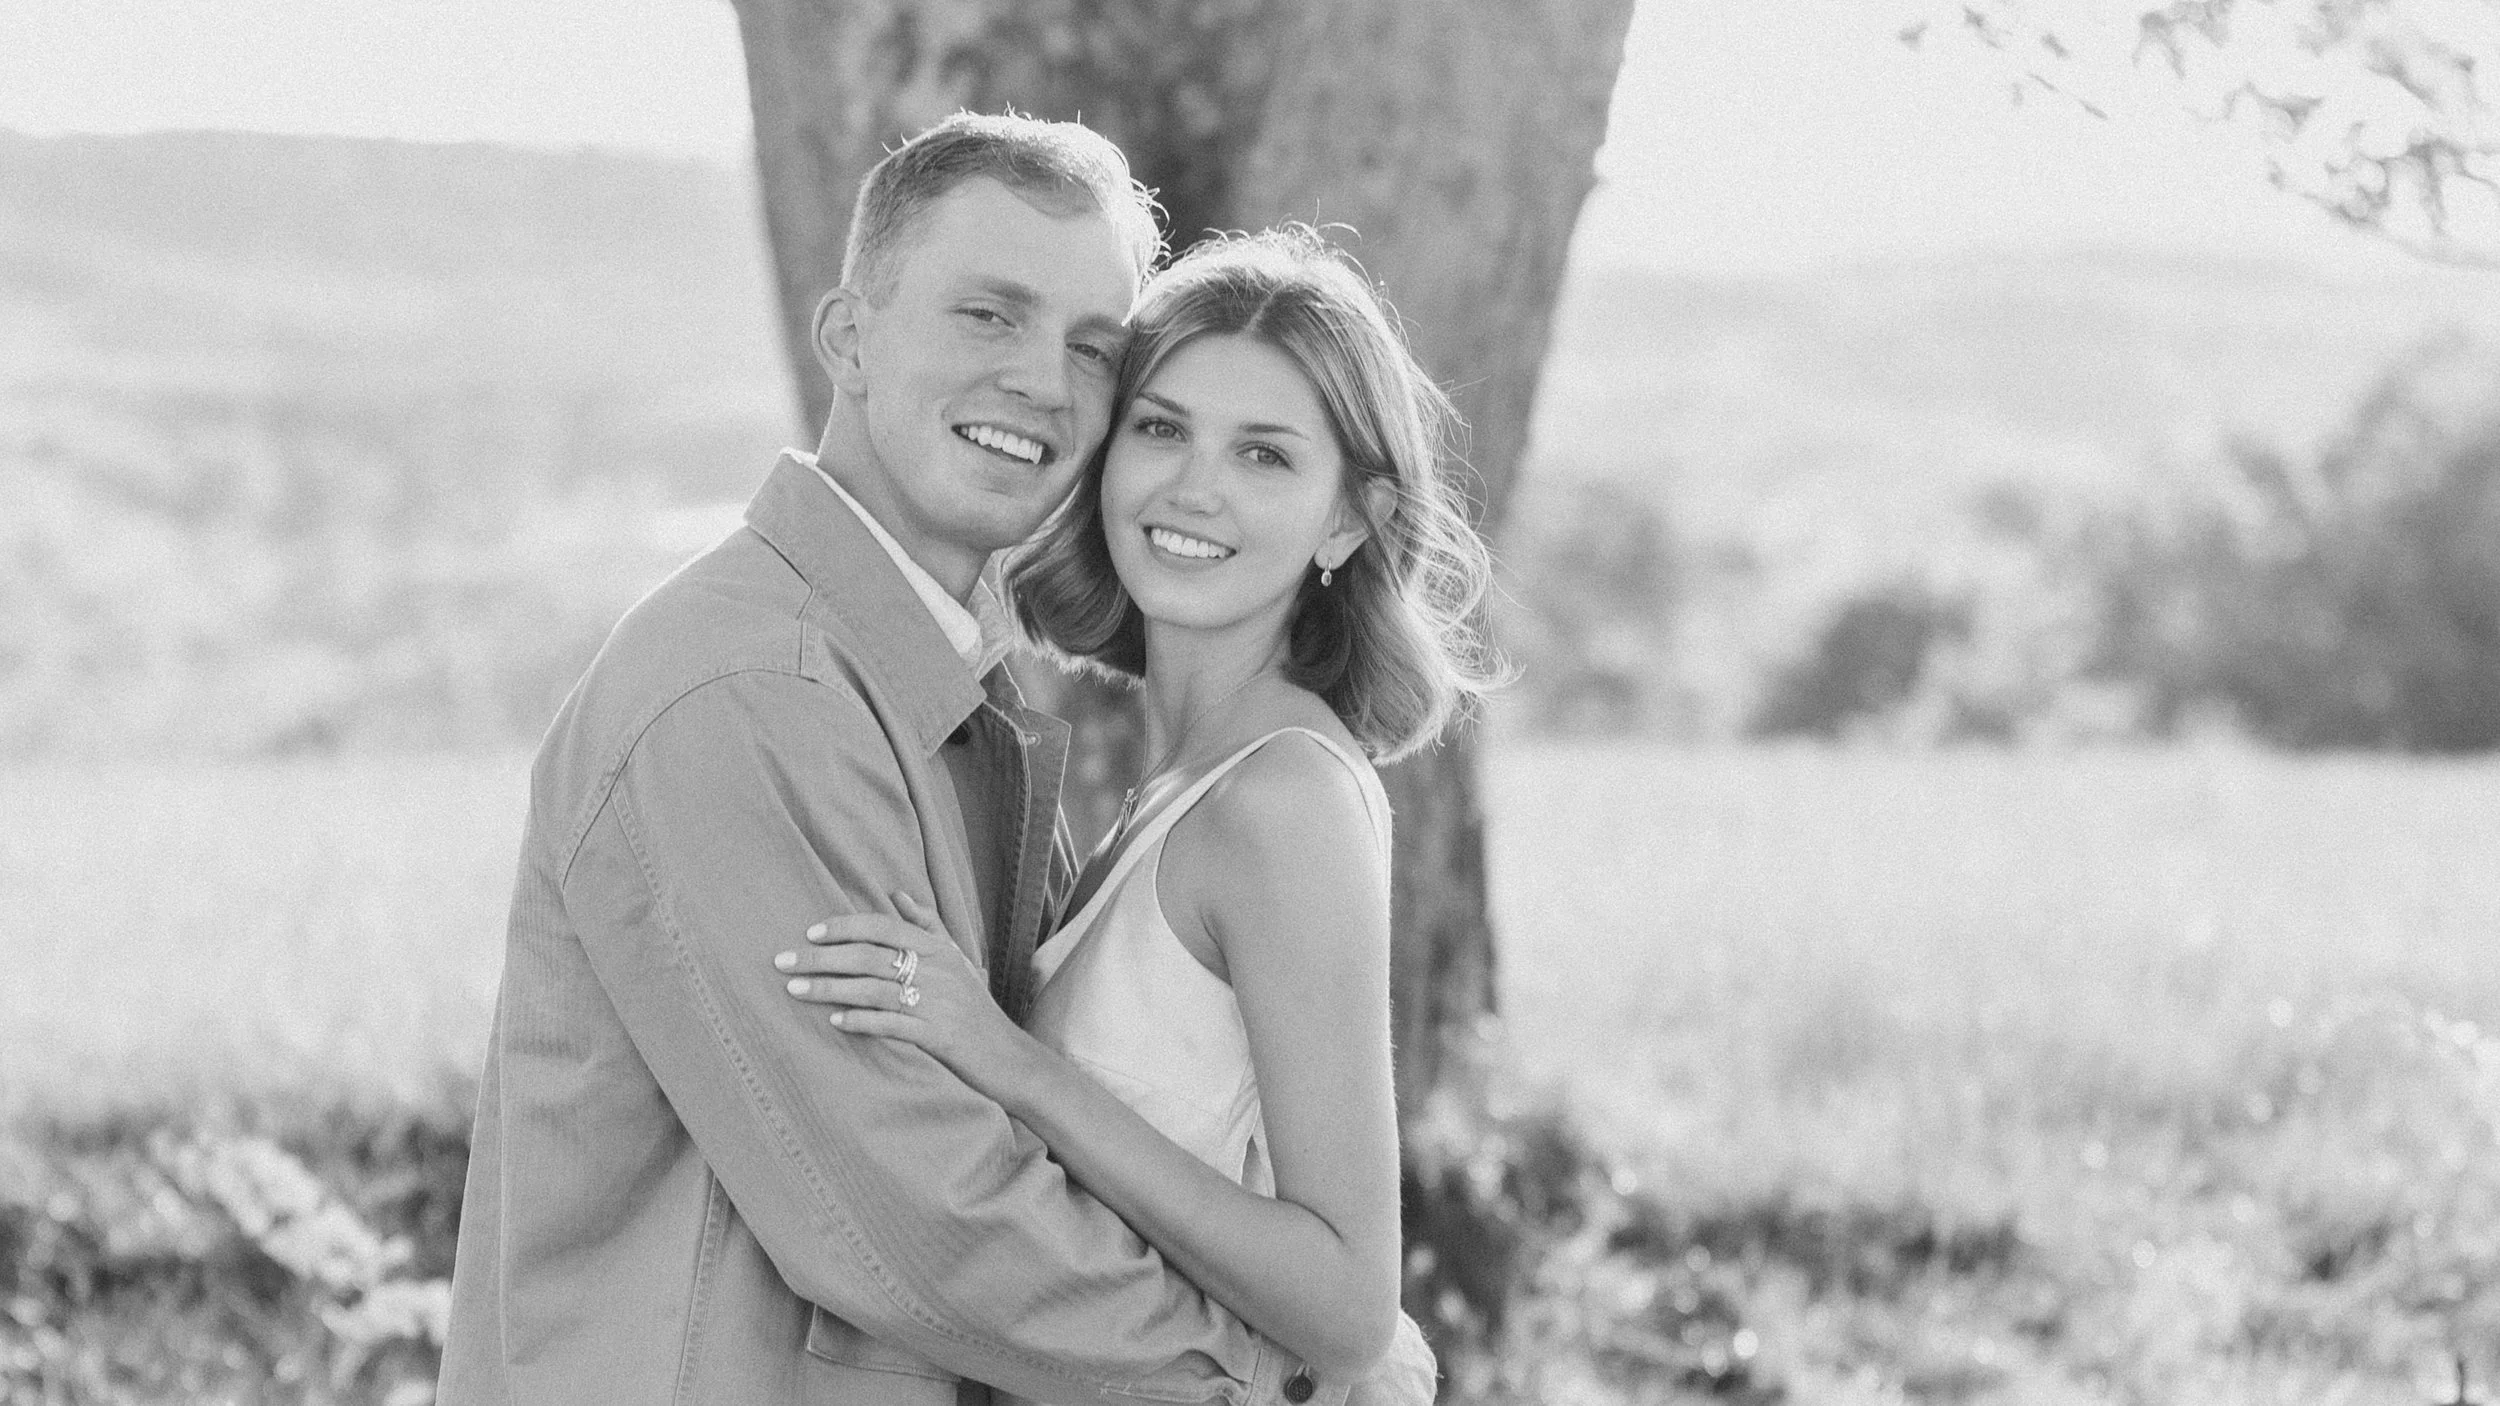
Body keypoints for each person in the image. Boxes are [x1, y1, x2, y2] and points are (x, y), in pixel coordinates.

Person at [438, 114, 1433, 1406]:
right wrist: (1270, 1380)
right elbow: (927, 1215)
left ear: (1351, 517)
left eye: (1090, 348)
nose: (1041, 382)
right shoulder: (758, 693)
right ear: (848, 336)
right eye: (988, 315)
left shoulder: (946, 699)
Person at [774, 227, 1500, 1401]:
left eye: (1264, 455)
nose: (1192, 487)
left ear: (1347, 520)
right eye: (1160, 427)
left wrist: (1008, 1060)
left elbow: (1348, 1305)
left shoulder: (1283, 803)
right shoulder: (1174, 789)